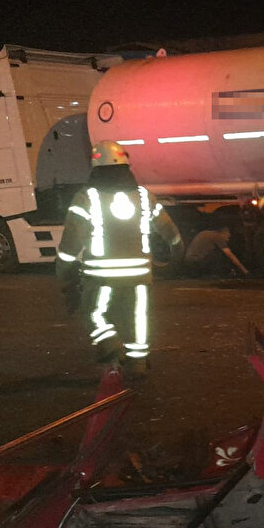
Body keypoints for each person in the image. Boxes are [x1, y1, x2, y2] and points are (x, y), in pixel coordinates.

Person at [56, 141, 181, 376]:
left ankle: (110, 344)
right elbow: (167, 228)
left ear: (95, 165)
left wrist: (64, 271)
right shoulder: (144, 197)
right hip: (140, 273)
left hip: (101, 275)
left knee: (93, 312)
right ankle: (138, 364)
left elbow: (71, 241)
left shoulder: (87, 197)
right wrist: (177, 249)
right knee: (137, 317)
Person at [184, 223, 249, 277]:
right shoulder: (218, 237)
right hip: (197, 261)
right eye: (228, 235)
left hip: (189, 261)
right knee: (222, 255)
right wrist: (245, 271)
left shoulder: (208, 233)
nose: (228, 239)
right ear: (224, 232)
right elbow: (230, 256)